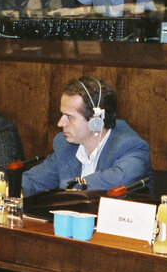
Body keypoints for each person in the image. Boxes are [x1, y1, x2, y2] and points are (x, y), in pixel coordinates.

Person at [21, 76, 151, 197]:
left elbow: (117, 181)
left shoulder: (131, 146)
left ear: (96, 121)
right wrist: (12, 189)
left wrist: (72, 186)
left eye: (70, 117)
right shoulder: (65, 144)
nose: (60, 123)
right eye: (62, 115)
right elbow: (33, 180)